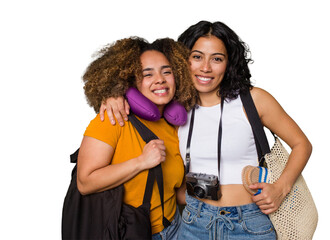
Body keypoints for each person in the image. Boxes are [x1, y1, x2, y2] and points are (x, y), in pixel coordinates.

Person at [98, 21, 312, 239]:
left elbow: (301, 144)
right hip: (194, 223)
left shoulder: (253, 99)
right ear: (183, 61)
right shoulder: (174, 109)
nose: (206, 67)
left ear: (228, 63)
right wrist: (113, 94)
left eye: (217, 59)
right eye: (197, 57)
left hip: (249, 224)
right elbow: (143, 88)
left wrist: (280, 189)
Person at [77, 37, 196, 240]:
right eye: (147, 74)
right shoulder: (112, 119)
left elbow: (176, 192)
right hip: (132, 233)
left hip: (175, 228)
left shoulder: (173, 124)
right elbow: (85, 182)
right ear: (130, 81)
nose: (160, 79)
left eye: (167, 71)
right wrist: (141, 162)